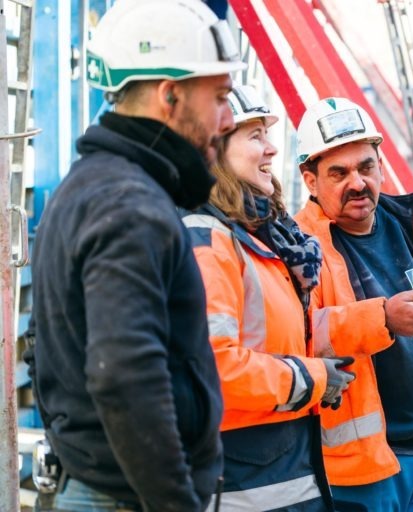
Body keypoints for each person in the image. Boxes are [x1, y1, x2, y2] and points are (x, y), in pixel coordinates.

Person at [27, 1, 245, 510]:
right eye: (219, 97)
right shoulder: (131, 206)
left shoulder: (91, 187)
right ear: (170, 95)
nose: (227, 119)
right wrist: (175, 502)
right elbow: (125, 373)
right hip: (127, 497)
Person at [294, 97, 413, 511]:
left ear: (380, 164)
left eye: (366, 167)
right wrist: (384, 319)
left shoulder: (404, 225)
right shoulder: (299, 246)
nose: (357, 183)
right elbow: (299, 335)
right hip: (358, 470)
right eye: (338, 173)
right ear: (310, 180)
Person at [182, 85, 354, 511]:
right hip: (242, 482)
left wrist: (382, 319)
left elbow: (290, 337)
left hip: (281, 471)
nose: (272, 149)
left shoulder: (260, 238)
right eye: (255, 135)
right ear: (216, 148)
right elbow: (216, 367)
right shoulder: (208, 240)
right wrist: (313, 379)